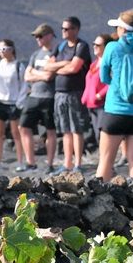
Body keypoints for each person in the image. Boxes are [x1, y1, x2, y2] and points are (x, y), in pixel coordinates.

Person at [96, 10, 133, 179]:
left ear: (122, 29)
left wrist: (116, 84)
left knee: (106, 161)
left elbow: (104, 77)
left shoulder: (113, 47)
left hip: (117, 111)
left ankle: (102, 203)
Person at [41, 16, 92, 172]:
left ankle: (78, 163)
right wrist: (63, 64)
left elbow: (74, 68)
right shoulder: (61, 46)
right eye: (62, 28)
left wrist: (58, 68)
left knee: (77, 128)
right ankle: (67, 163)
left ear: (75, 29)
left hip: (75, 93)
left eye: (66, 28)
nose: (63, 31)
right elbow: (47, 66)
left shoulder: (81, 46)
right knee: (65, 129)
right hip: (60, 93)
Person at [20, 24, 59, 173]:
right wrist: (40, 75)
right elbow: (27, 76)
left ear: (49, 35)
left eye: (40, 36)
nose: (38, 39)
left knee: (50, 130)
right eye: (36, 36)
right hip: (34, 95)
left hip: (49, 97)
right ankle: (31, 162)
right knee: (23, 126)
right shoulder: (35, 55)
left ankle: (49, 164)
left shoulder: (56, 53)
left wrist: (36, 74)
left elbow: (50, 76)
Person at [0, 38, 27, 170]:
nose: (1, 52)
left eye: (4, 49)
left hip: (13, 103)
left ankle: (20, 162)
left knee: (15, 133)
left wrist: (19, 102)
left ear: (11, 50)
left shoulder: (18, 66)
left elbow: (24, 84)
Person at [81, 33, 112, 138]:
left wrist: (100, 95)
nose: (94, 46)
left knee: (104, 134)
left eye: (98, 45)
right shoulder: (93, 64)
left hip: (103, 105)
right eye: (94, 44)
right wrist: (85, 97)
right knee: (98, 136)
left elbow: (113, 82)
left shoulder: (109, 64)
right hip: (92, 106)